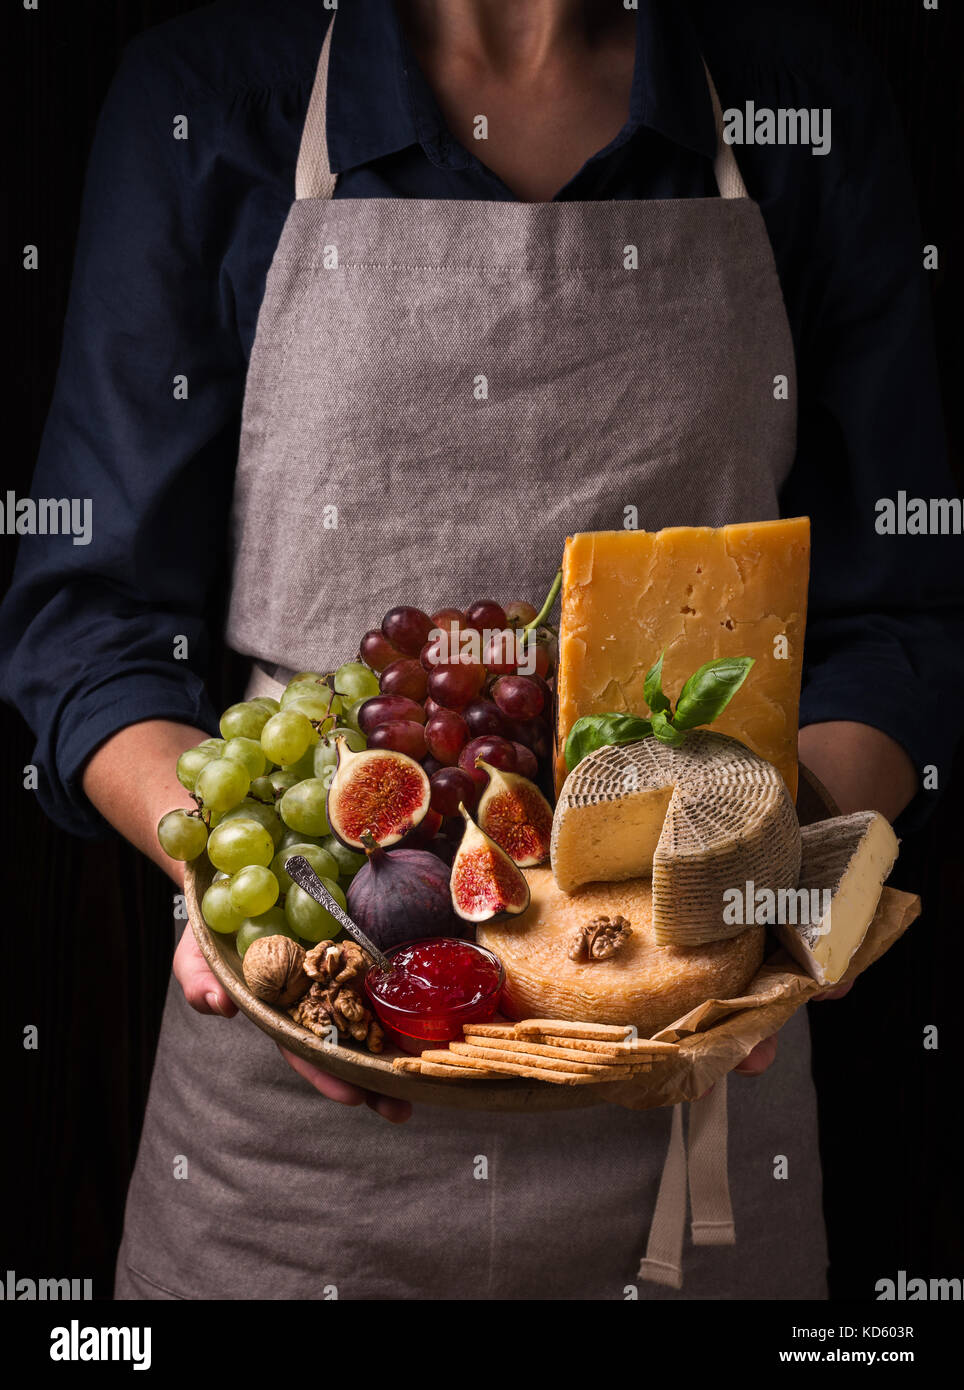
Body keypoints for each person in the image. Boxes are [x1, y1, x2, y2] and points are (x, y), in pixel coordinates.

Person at [3, 0, 961, 1301]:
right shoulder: (216, 92)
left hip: (695, 1121)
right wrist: (229, 884)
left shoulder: (803, 93)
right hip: (288, 1166)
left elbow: (896, 620)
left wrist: (772, 888)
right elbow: (90, 623)